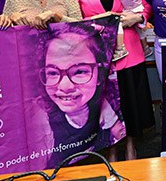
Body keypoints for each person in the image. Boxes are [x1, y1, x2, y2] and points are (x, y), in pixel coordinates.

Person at [69, 0, 154, 160]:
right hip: (96, 56)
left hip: (128, 52)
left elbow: (144, 6)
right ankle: (111, 149)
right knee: (106, 108)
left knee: (129, 104)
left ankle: (131, 146)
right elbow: (73, 18)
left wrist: (138, 17)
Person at [31, 23, 126, 166]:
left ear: (100, 75)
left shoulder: (102, 105)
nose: (65, 87)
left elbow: (119, 132)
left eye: (80, 71)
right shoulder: (40, 120)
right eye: (52, 73)